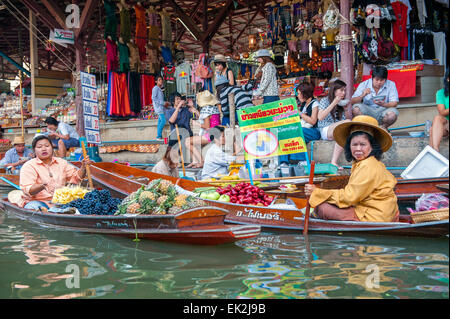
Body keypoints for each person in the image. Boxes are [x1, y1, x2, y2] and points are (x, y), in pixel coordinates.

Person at [304, 115, 399, 222]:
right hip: (382, 212)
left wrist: (317, 192)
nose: (358, 149)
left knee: (321, 207)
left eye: (363, 144)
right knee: (326, 202)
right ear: (349, 146)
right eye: (354, 144)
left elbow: (349, 197)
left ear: (372, 146)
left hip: (374, 215)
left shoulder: (368, 165)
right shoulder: (365, 162)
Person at [19, 135, 93, 210]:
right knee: (33, 207)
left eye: (47, 146)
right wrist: (42, 185)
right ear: (34, 150)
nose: (44, 149)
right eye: (39, 147)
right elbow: (28, 190)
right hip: (40, 201)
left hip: (61, 201)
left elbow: (76, 178)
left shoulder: (61, 162)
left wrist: (83, 167)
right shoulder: (29, 166)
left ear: (52, 148)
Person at [279, 81, 321, 164]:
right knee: (285, 131)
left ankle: (299, 160)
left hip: (313, 131)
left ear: (305, 93)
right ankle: (284, 161)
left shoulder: (314, 103)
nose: (297, 96)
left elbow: (313, 121)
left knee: (296, 131)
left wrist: (300, 113)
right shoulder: (303, 104)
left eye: (298, 93)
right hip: (304, 129)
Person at [316, 79, 351, 168]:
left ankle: (334, 162)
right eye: (341, 90)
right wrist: (333, 103)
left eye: (345, 91)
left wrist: (346, 109)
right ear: (334, 90)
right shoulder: (324, 100)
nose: (343, 93)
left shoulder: (341, 104)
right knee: (348, 123)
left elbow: (342, 122)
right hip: (325, 129)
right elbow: (320, 117)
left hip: (336, 130)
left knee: (346, 131)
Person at [185, 91, 221, 168]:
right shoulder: (214, 108)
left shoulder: (206, 109)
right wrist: (196, 112)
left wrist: (197, 124)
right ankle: (195, 161)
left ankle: (201, 161)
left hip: (210, 135)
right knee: (191, 141)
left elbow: (207, 126)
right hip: (217, 132)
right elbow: (207, 119)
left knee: (187, 141)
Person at [429, 69, 449, 152]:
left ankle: (432, 153)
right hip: (447, 125)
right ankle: (435, 150)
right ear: (448, 79)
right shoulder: (441, 93)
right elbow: (442, 112)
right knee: (437, 118)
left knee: (431, 130)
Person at [152, 75, 171, 141]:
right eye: (159, 80)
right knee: (163, 121)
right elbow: (154, 98)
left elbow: (160, 99)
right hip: (158, 108)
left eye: (161, 80)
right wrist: (163, 103)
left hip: (161, 108)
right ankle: (158, 136)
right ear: (156, 81)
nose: (161, 81)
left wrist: (166, 103)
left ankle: (159, 136)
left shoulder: (160, 89)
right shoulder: (155, 88)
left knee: (160, 122)